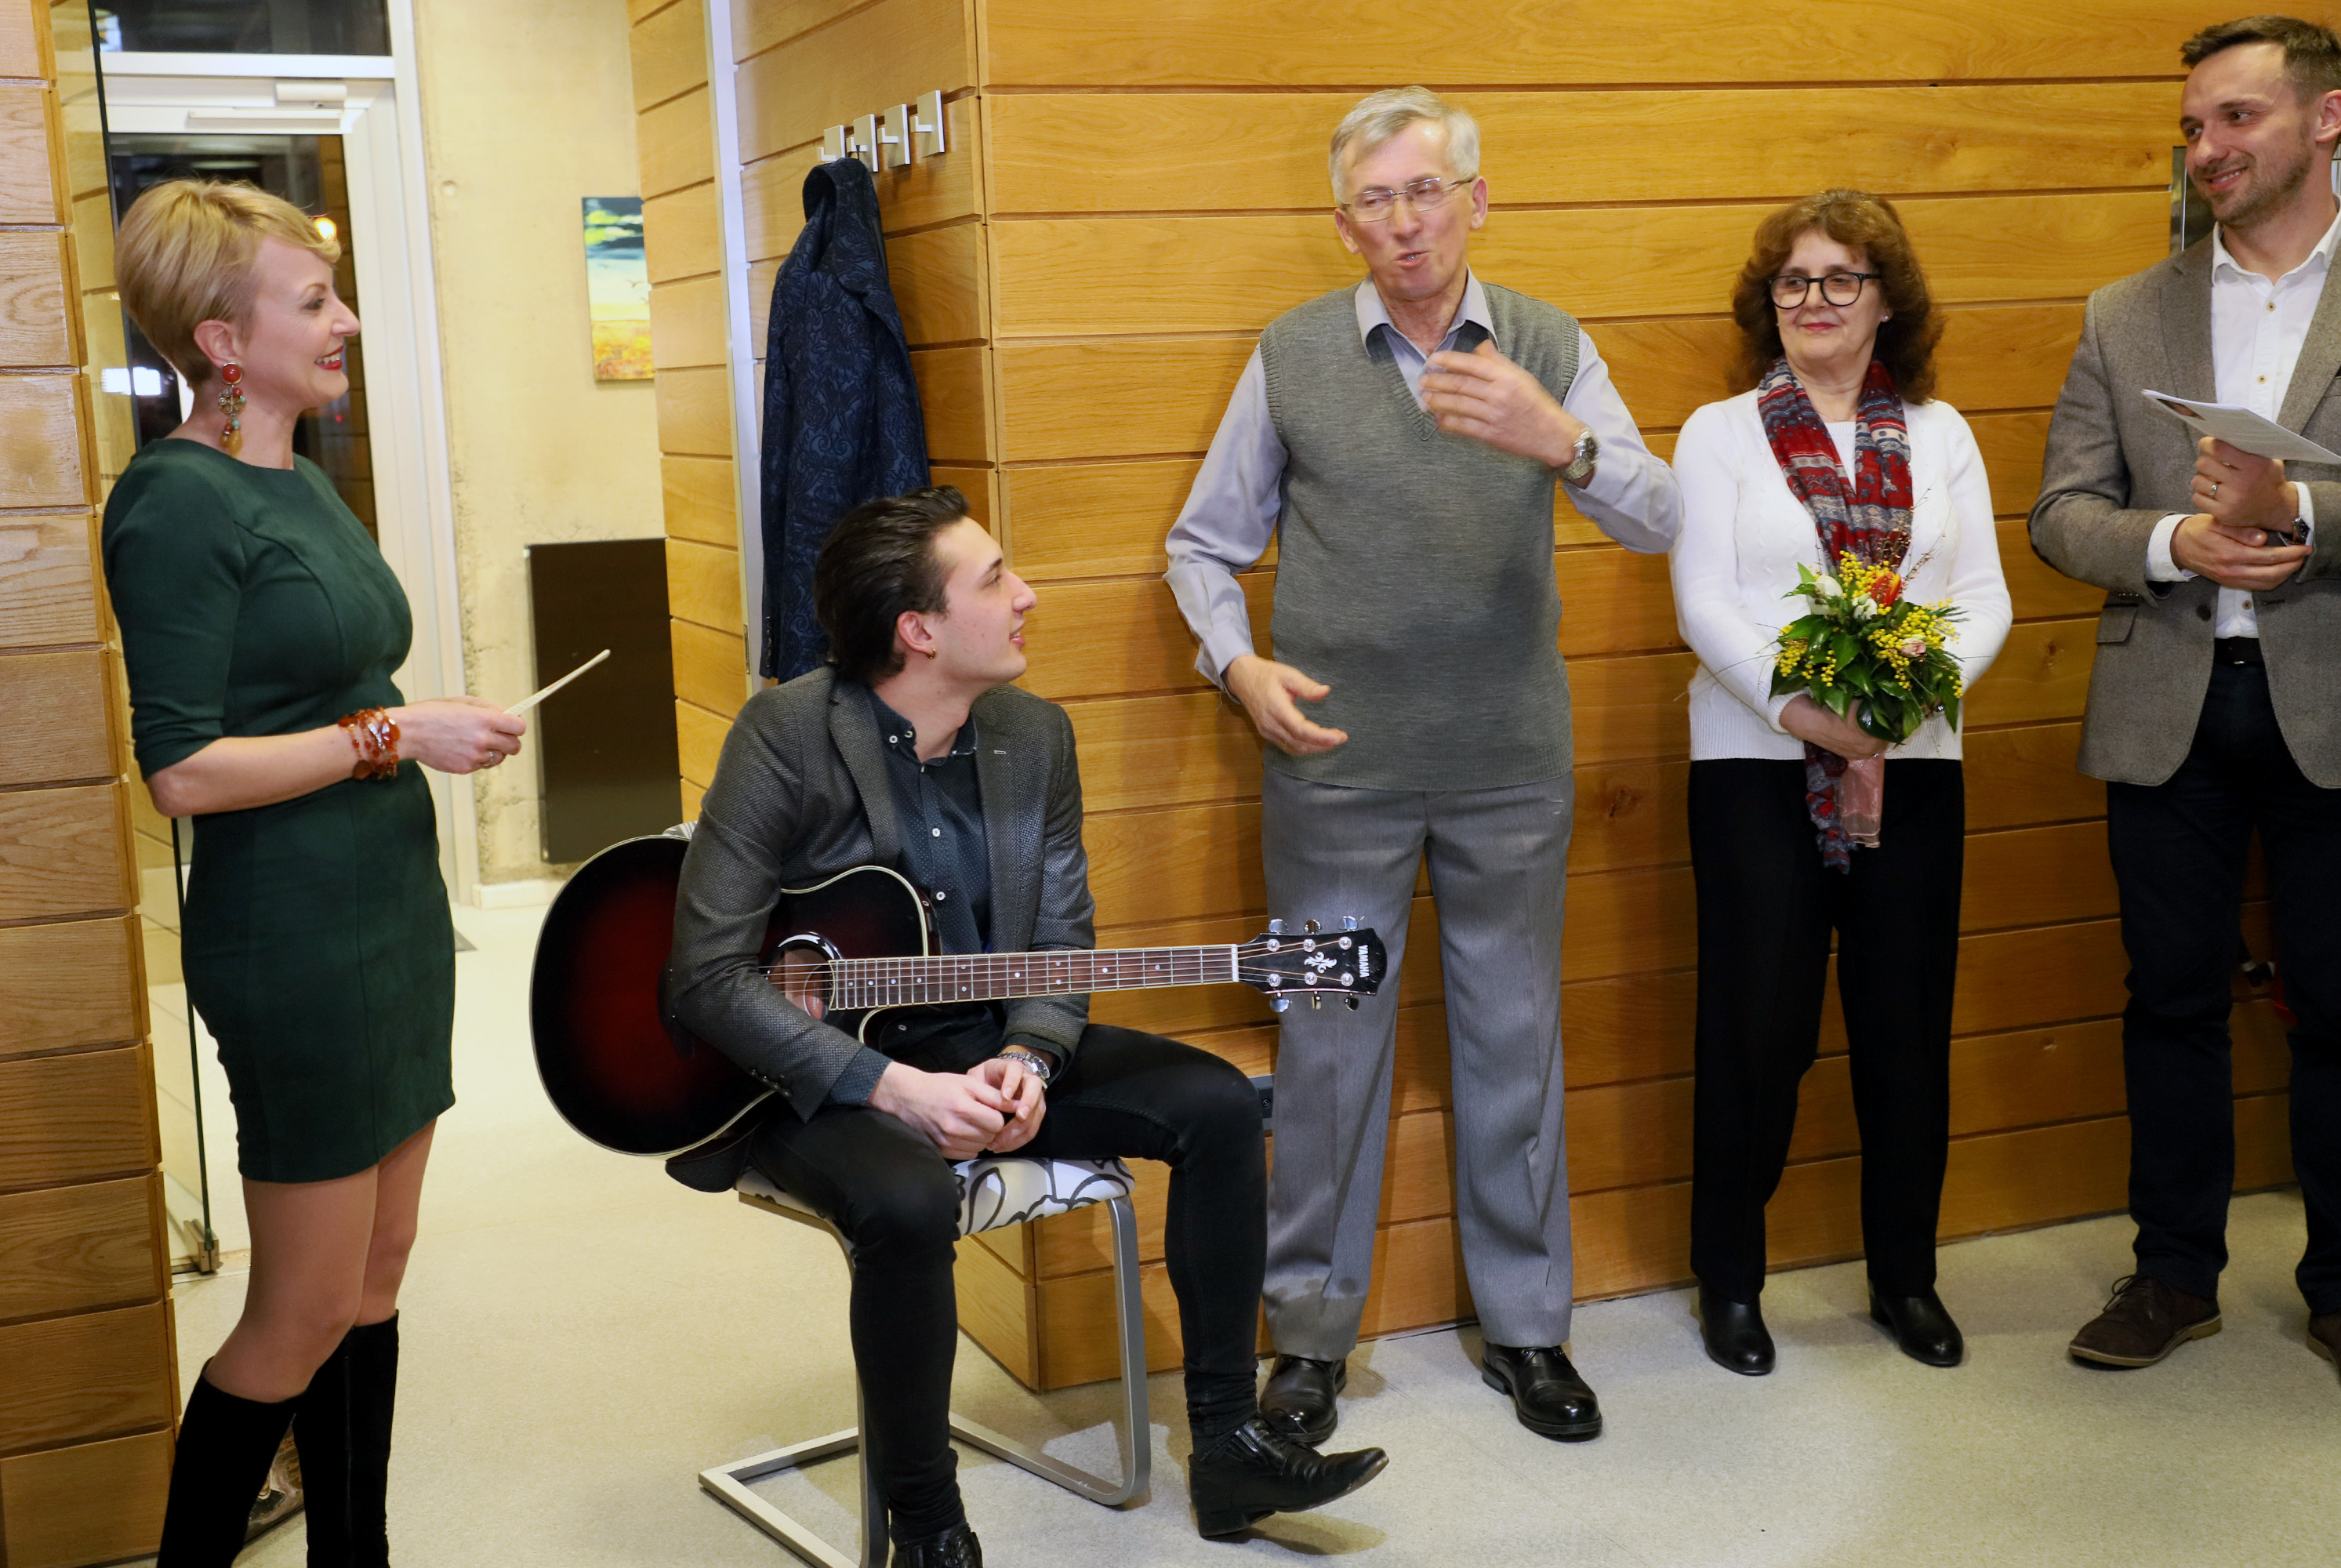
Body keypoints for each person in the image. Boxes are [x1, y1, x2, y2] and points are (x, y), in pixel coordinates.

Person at [660, 488, 1388, 1566]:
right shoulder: (788, 734)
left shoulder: (1033, 734)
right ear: (919, 630)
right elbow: (708, 977)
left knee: (1220, 1104)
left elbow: (1061, 937)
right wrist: (894, 1090)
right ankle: (927, 1527)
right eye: (996, 578)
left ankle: (1231, 1446)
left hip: (983, 1040)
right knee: (909, 1200)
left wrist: (1029, 1056)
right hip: (811, 1073)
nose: (1027, 595)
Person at [1163, 86, 1682, 1446]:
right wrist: (1239, 667)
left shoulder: (1550, 345)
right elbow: (1202, 545)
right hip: (1333, 768)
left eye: (1426, 191)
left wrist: (1560, 441)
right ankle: (1309, 1343)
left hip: (1510, 764)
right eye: (1376, 201)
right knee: (1328, 1054)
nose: (1404, 221)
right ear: (1346, 226)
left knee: (1515, 1040)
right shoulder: (1291, 353)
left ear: (1476, 201)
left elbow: (1660, 516)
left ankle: (1528, 1329)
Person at [101, 180, 525, 1564]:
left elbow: (330, 684)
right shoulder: (176, 502)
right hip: (293, 942)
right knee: (298, 1312)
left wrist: (400, 729)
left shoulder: (302, 477)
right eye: (314, 302)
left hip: (387, 916)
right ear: (223, 343)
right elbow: (183, 771)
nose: (345, 322)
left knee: (375, 1278)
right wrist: (395, 734)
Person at [2029, 15, 2341, 1394]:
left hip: (2336, 705)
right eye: (2193, 127)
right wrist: (2179, 542)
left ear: (2328, 121)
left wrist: (2303, 517)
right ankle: (2172, 1275)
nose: (2207, 148)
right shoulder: (2125, 311)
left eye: (2236, 118)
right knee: (2169, 1000)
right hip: (2168, 703)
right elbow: (2061, 512)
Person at [1668, 191, 2012, 1376]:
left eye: (1841, 278)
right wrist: (1808, 714)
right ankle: (1731, 1280)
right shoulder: (1720, 432)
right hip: (1754, 767)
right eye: (1793, 281)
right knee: (1754, 1031)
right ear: (1768, 304)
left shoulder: (1941, 432)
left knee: (1905, 1029)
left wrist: (1897, 714)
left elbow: (1983, 597)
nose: (1814, 300)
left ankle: (1905, 1278)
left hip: (1916, 766)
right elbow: (1705, 602)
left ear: (1886, 302)